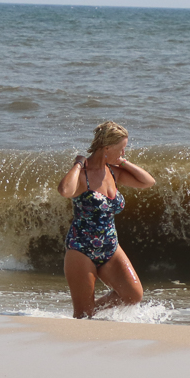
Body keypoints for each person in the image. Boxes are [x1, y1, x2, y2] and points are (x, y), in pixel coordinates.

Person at [56, 121, 156, 318]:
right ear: (107, 148)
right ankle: (85, 318)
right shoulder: (83, 176)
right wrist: (78, 163)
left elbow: (148, 182)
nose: (124, 153)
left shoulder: (113, 172)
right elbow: (65, 191)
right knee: (82, 315)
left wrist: (123, 163)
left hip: (110, 247)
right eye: (121, 149)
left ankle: (92, 312)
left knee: (133, 295)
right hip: (81, 249)